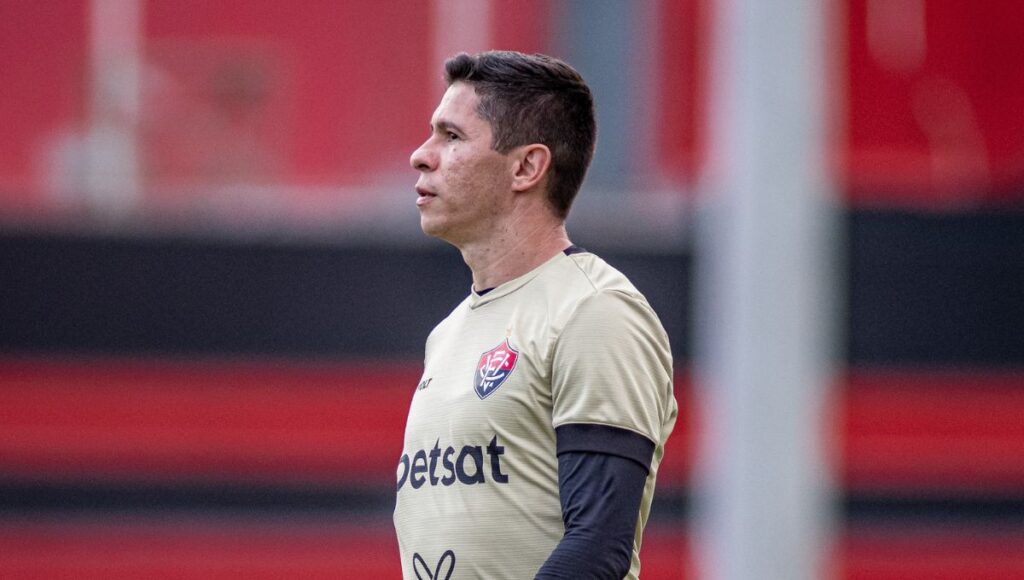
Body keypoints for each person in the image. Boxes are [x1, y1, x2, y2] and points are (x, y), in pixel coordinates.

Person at [394, 50, 677, 579]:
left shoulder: (594, 310)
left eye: (451, 137)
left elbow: (598, 550)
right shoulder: (448, 334)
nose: (420, 155)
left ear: (526, 167)